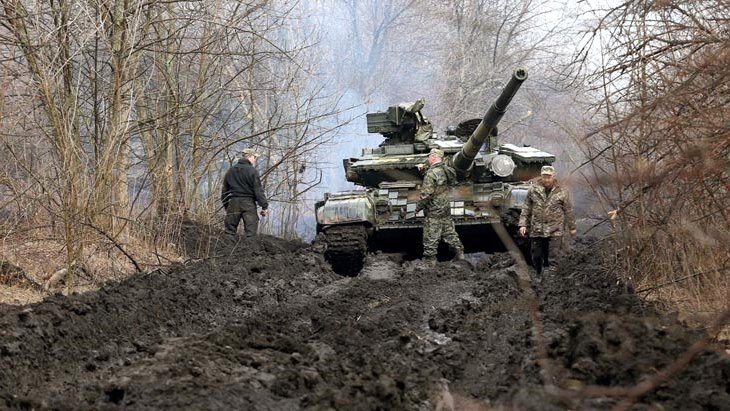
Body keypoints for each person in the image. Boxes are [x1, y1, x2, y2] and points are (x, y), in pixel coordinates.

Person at [518, 165, 577, 276]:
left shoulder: (562, 191)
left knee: (553, 256)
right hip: (537, 228)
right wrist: (523, 224)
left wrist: (572, 227)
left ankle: (552, 279)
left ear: (553, 176)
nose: (546, 179)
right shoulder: (533, 189)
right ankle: (538, 274)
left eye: (549, 177)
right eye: (544, 177)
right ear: (541, 176)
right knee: (536, 255)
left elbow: (568, 210)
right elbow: (526, 207)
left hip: (555, 228)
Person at [416, 148, 464, 263]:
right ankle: (460, 254)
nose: (428, 159)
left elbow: (426, 194)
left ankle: (429, 260)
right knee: (448, 230)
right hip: (445, 207)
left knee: (431, 234)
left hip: (433, 209)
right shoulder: (448, 170)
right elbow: (449, 181)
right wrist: (425, 169)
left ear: (433, 157)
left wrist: (418, 207)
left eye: (429, 157)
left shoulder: (431, 174)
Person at [221, 148, 268, 240]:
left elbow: (224, 191)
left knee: (229, 233)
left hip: (233, 202)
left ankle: (228, 252)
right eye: (254, 157)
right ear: (249, 157)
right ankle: (249, 252)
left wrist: (226, 205)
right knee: (251, 233)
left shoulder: (230, 170)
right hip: (248, 204)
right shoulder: (252, 171)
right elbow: (258, 190)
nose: (255, 159)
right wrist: (264, 206)